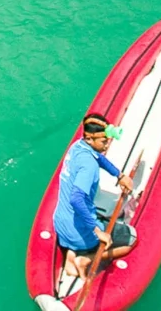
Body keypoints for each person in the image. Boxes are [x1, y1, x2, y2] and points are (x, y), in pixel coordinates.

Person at [52, 114, 137, 281]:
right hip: (82, 231)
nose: (107, 144)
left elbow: (100, 159)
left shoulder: (77, 146)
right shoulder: (88, 166)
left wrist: (119, 176)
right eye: (104, 141)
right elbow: (76, 199)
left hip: (61, 226)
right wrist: (98, 231)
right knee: (132, 239)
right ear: (90, 139)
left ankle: (70, 256)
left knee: (85, 217)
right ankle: (84, 259)